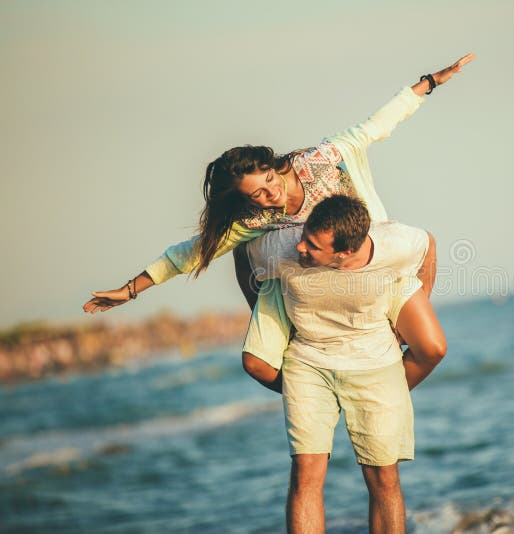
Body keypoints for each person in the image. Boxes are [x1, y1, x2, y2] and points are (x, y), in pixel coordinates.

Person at [82, 53, 474, 379]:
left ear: (274, 166)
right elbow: (187, 254)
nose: (271, 193)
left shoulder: (323, 159)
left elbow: (376, 125)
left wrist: (428, 83)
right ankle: (313, 391)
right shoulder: (251, 221)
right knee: (245, 269)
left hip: (372, 260)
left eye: (269, 179)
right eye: (257, 194)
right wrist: (130, 290)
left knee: (430, 328)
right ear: (244, 200)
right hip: (317, 290)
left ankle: (391, 382)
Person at [245, 195, 439, 533]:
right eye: (304, 237)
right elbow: (243, 254)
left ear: (344, 252)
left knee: (383, 476)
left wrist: (415, 305)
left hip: (374, 362)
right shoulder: (285, 247)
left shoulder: (395, 244)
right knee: (305, 472)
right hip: (309, 361)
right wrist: (256, 303)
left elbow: (428, 246)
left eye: (314, 246)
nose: (301, 248)